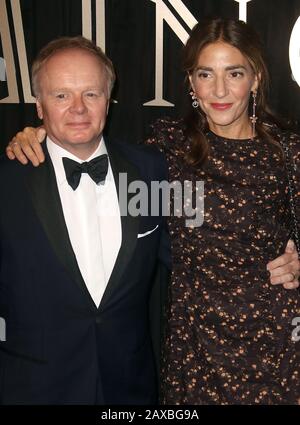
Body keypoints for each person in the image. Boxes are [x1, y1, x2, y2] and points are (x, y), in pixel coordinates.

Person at [6, 21, 300, 405]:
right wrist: (29, 134)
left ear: (256, 79)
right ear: (191, 83)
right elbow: (82, 142)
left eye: (235, 73)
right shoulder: (164, 149)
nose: (220, 90)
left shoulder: (288, 154)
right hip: (194, 352)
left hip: (272, 342)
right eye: (205, 74)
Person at [0, 36, 170, 405]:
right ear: (39, 106)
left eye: (91, 94)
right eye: (61, 95)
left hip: (130, 387)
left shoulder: (151, 169)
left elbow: (201, 248)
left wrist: (280, 258)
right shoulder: (7, 181)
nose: (78, 108)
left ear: (108, 99)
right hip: (34, 389)